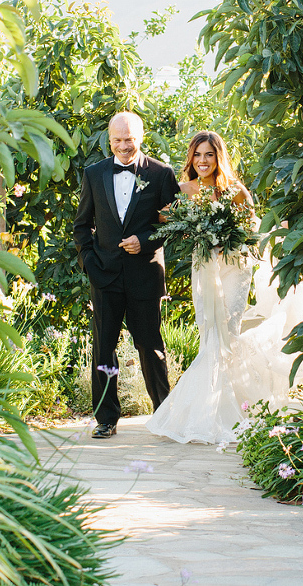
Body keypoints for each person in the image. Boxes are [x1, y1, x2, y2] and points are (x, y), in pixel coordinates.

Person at [145, 130, 303, 445]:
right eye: (198, 155)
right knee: (209, 336)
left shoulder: (236, 191)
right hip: (204, 269)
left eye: (209, 155)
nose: (203, 161)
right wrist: (192, 234)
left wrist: (251, 234)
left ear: (218, 157)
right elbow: (162, 220)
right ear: (191, 158)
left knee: (226, 333)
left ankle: (226, 412)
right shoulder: (183, 191)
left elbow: (252, 228)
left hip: (235, 268)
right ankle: (217, 412)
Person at [73, 111, 180, 439]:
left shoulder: (162, 174)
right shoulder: (94, 174)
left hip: (145, 274)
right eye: (117, 140)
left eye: (129, 139)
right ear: (109, 139)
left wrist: (145, 241)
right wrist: (90, 265)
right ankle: (106, 418)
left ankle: (164, 415)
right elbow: (82, 226)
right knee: (104, 347)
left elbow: (176, 223)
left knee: (150, 346)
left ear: (141, 137)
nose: (123, 145)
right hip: (104, 276)